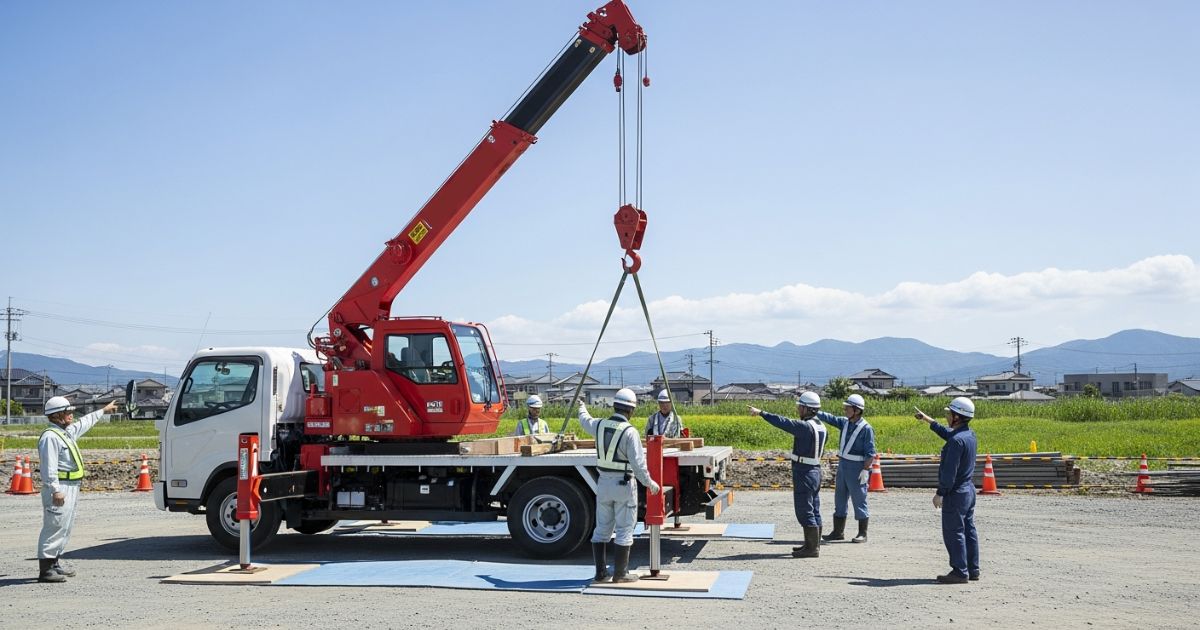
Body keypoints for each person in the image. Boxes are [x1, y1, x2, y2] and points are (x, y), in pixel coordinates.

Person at [578, 388, 661, 583]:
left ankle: (600, 574)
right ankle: (620, 574)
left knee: (602, 529)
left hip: (603, 484)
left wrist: (581, 407)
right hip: (624, 485)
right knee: (624, 529)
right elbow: (638, 465)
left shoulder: (599, 425)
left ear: (614, 406)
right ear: (631, 410)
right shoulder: (630, 432)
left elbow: (585, 420)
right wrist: (650, 484)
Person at [37, 396, 118, 583]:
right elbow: (48, 467)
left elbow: (84, 423)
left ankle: (54, 562)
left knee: (65, 525)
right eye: (67, 412)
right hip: (60, 486)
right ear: (57, 415)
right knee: (54, 525)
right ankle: (46, 569)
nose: (71, 415)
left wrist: (103, 411)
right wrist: (55, 490)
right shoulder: (50, 437)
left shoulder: (64, 433)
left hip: (71, 485)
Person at [749, 391, 828, 558]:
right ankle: (812, 545)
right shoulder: (821, 426)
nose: (798, 409)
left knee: (804, 510)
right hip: (815, 470)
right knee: (814, 509)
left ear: (808, 409)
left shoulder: (805, 427)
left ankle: (812, 549)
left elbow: (783, 422)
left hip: (804, 472)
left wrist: (762, 413)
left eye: (800, 407)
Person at [916, 397, 980, 584]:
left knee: (954, 532)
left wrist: (940, 493)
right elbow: (947, 433)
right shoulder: (968, 435)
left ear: (957, 417)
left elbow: (949, 473)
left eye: (949, 414)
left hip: (955, 492)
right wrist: (928, 420)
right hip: (968, 491)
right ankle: (972, 569)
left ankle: (959, 572)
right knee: (968, 530)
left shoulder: (955, 442)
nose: (947, 416)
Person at [817, 393, 877, 543]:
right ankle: (838, 532)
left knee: (859, 500)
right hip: (843, 465)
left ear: (856, 410)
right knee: (840, 498)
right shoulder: (845, 423)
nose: (845, 410)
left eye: (848, 408)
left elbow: (870, 453)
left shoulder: (866, 429)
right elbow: (830, 418)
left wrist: (866, 470)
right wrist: (816, 411)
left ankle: (862, 533)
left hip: (857, 468)